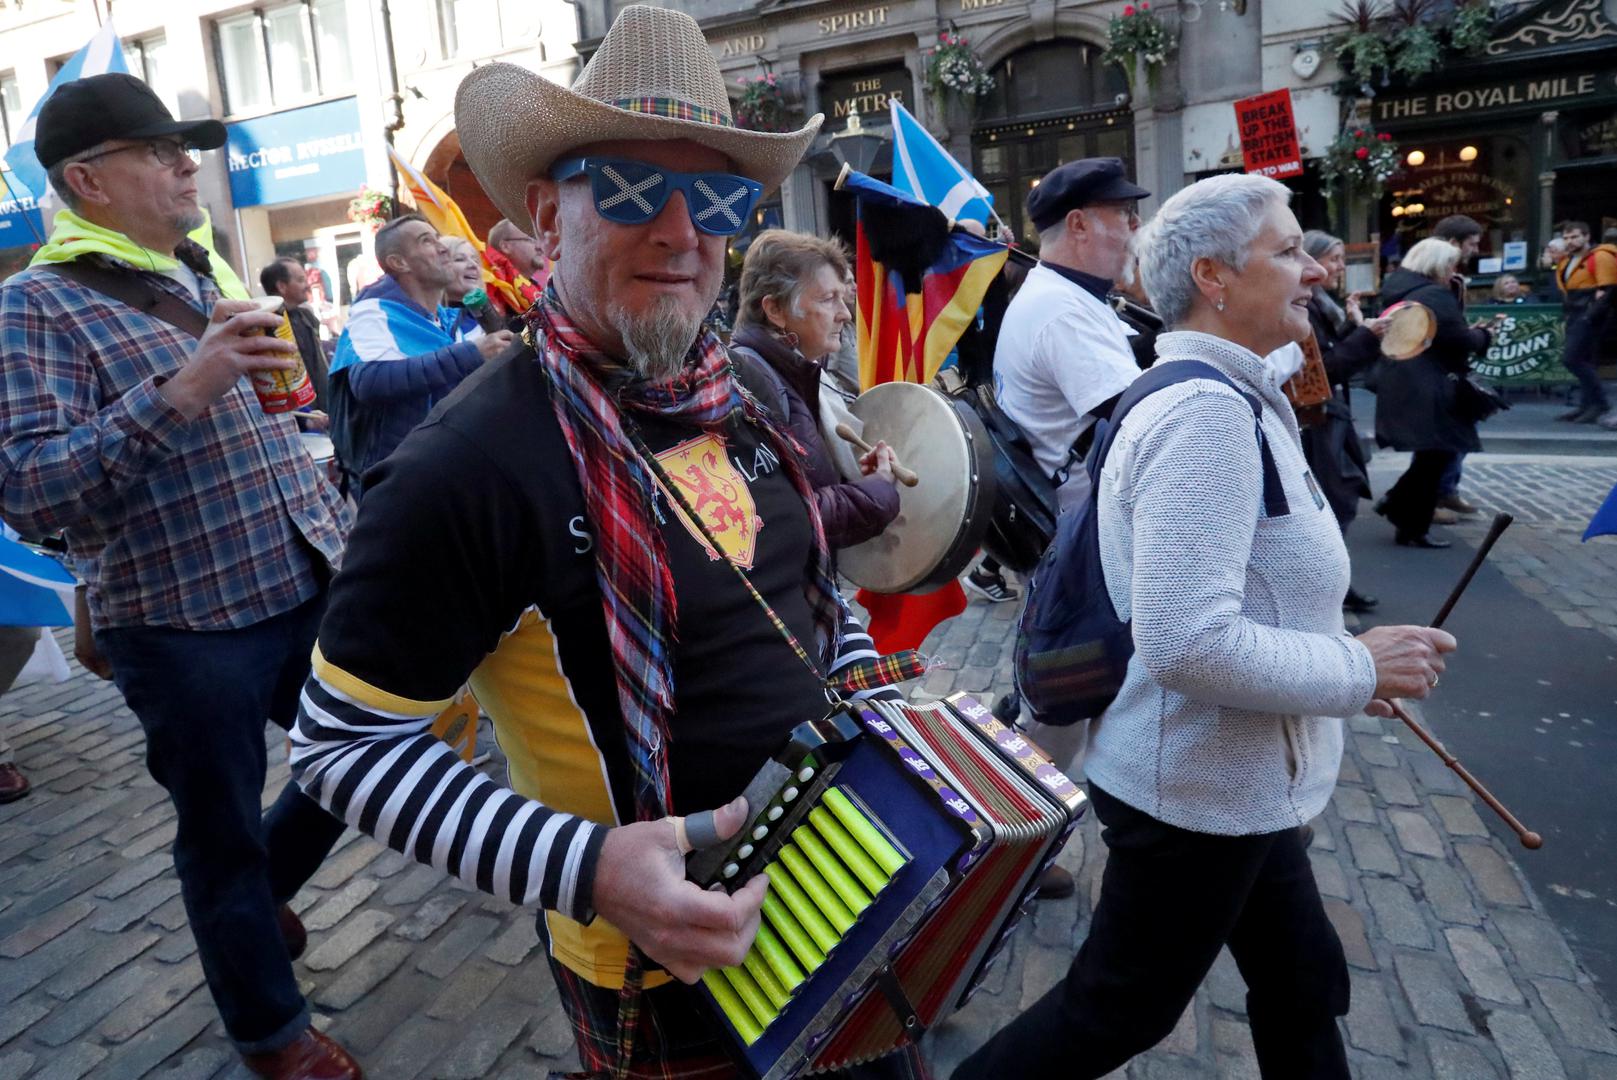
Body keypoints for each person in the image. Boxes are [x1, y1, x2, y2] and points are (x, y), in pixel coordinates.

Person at [289, 8, 922, 1077]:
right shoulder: (465, 464)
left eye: (716, 200)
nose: (680, 231)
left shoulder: (739, 387)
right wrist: (588, 868)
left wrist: (868, 694)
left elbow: (806, 587)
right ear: (548, 214)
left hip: (844, 886)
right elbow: (340, 746)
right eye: (631, 188)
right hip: (662, 966)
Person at [953, 172, 1457, 1080]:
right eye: (1289, 250)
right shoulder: (1205, 416)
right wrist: (1353, 667)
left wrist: (1343, 670)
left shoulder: (1232, 393)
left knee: (1302, 981)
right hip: (1194, 791)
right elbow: (1188, 642)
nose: (1316, 269)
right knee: (1116, 1012)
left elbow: (1253, 594)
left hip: (1240, 781)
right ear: (1213, 278)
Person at [0, 73, 358, 1079]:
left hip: (304, 575)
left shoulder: (196, 268)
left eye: (183, 148)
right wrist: (185, 387)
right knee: (220, 838)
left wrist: (305, 446)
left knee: (365, 763)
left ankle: (259, 897)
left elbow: (252, 429)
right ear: (87, 179)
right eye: (159, 150)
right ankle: (271, 1030)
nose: (186, 164)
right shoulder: (32, 305)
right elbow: (30, 491)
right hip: (183, 625)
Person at [729, 230, 900, 550]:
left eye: (842, 297)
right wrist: (877, 492)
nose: (845, 313)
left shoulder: (790, 371)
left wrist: (855, 480)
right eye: (827, 299)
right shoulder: (750, 385)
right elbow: (783, 516)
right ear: (775, 310)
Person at [327, 214, 512, 495]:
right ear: (398, 262)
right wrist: (472, 353)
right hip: (398, 483)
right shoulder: (374, 312)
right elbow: (370, 381)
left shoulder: (446, 319)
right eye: (427, 241)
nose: (443, 247)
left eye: (438, 238)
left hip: (447, 472)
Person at [1372, 238, 1496, 548]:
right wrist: (1483, 335)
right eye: (1451, 265)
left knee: (1432, 456)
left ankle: (1400, 509)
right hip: (1432, 384)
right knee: (1438, 455)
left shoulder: (1399, 289)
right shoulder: (1435, 295)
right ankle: (1412, 525)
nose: (1454, 271)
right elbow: (1457, 339)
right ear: (1438, 265)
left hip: (1407, 381)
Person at [1301, 231, 1387, 613]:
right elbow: (1323, 370)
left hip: (1330, 416)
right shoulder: (1305, 305)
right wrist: (1364, 336)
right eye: (1334, 259)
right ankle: (1327, 586)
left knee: (1339, 502)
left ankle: (1334, 583)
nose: (1339, 267)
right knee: (1333, 503)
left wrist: (1356, 327)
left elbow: (1330, 356)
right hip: (1319, 419)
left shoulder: (1320, 304)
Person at [1553, 219, 1617, 424]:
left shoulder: (1601, 256)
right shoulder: (1567, 260)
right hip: (1576, 311)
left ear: (1587, 236)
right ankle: (1587, 404)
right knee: (1584, 359)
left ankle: (1599, 403)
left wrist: (1590, 316)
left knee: (1572, 358)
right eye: (1566, 238)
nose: (1569, 241)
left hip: (1590, 313)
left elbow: (1608, 289)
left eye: (1574, 237)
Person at [260, 256, 332, 413]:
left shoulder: (306, 316)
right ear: (281, 286)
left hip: (324, 411)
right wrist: (305, 415)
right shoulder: (266, 327)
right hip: (303, 417)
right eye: (300, 280)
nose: (307, 285)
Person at [486, 215, 549, 297]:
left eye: (538, 240)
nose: (540, 247)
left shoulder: (539, 292)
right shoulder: (489, 292)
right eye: (531, 240)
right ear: (505, 247)